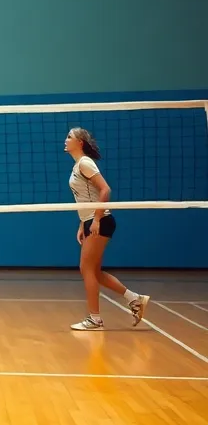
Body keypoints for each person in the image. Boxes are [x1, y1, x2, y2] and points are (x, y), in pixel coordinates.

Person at [64, 127, 150, 330]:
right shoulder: (78, 165)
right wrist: (82, 224)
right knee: (95, 271)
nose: (65, 140)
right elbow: (88, 197)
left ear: (80, 143)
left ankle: (95, 319)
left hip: (100, 221)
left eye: (69, 137)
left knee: (86, 269)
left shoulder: (85, 162)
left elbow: (105, 189)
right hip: (91, 221)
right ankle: (135, 299)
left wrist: (96, 220)